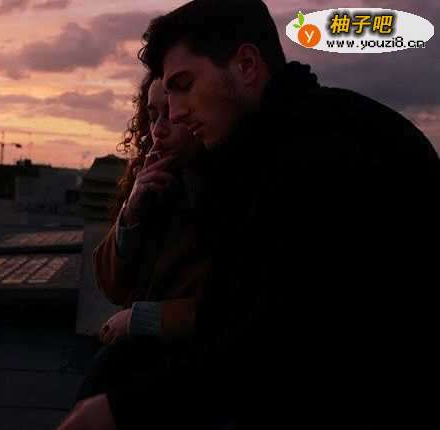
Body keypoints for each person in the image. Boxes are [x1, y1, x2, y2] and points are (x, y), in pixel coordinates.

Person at [56, 1, 439, 428]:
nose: (174, 115)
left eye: (184, 85)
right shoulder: (277, 143)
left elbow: (271, 335)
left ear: (246, 65)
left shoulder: (319, 153)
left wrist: (120, 408)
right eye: (158, 108)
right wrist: (132, 214)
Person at [57, 74, 210, 430]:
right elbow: (111, 285)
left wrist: (139, 318)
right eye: (152, 116)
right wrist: (131, 213)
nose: (158, 130)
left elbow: (232, 309)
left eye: (171, 113)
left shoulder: (226, 195)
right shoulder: (162, 185)